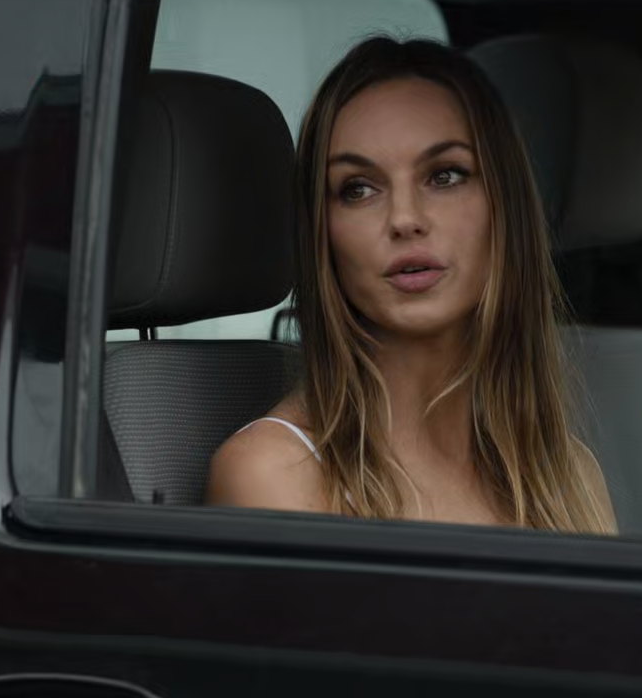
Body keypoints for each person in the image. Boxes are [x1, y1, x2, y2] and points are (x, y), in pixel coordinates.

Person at [206, 37, 617, 534]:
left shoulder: (568, 473)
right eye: (358, 188)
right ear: (321, 235)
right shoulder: (275, 474)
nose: (404, 219)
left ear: (504, 209)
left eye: (445, 176)